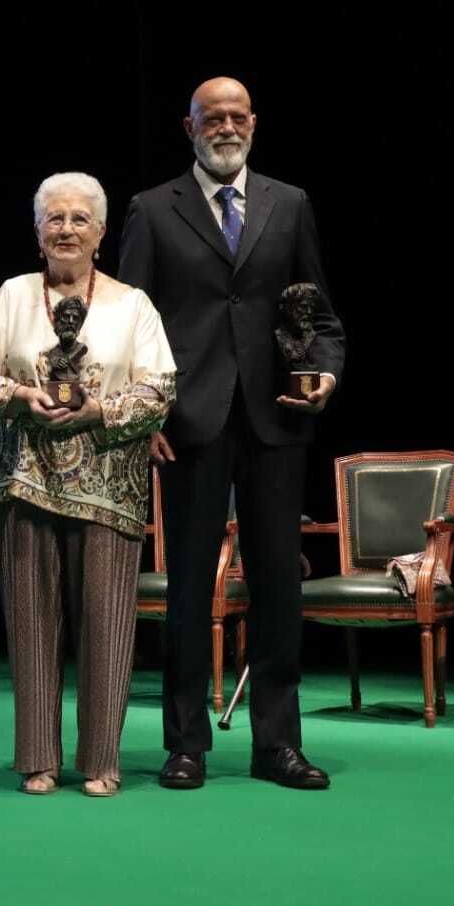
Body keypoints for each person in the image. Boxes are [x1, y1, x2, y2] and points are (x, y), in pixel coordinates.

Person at [119, 77, 346, 790]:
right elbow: (131, 324)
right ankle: (185, 743)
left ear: (254, 123)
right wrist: (144, 413)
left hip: (277, 418)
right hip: (189, 421)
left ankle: (277, 744)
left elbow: (322, 316)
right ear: (188, 126)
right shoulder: (152, 210)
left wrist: (326, 373)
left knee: (279, 584)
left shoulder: (291, 203)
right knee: (188, 585)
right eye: (210, 117)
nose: (225, 126)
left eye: (236, 116)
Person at [0, 173, 175, 797]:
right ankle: (37, 759)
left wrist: (99, 412)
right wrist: (23, 396)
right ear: (37, 232)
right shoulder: (11, 296)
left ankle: (102, 760)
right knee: (31, 625)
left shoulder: (132, 303)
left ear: (101, 233)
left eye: (80, 219)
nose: (66, 229)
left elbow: (159, 390)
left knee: (107, 628)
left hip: (111, 487)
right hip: (24, 479)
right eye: (54, 219)